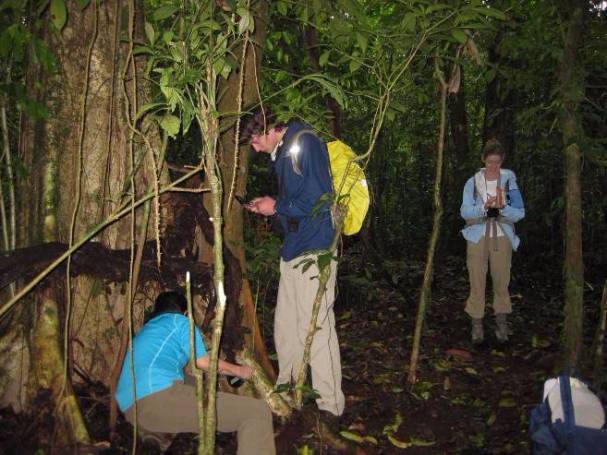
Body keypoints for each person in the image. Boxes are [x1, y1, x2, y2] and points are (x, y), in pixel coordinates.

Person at [240, 106, 345, 421]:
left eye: (255, 141)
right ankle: (288, 396)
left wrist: (278, 206)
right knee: (286, 329)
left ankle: (330, 406)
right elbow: (295, 203)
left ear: (269, 128)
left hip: (315, 250)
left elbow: (318, 199)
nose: (255, 149)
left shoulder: (304, 142)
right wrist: (270, 207)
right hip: (294, 250)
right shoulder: (285, 152)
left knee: (317, 329)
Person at [115, 291, 276, 454]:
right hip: (157, 399)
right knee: (256, 411)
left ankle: (158, 440)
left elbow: (191, 376)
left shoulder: (145, 331)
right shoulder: (180, 322)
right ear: (185, 312)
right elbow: (203, 362)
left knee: (192, 383)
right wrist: (239, 371)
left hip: (131, 411)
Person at [460, 139, 525, 344]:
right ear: (483, 160)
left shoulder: (509, 182)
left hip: (502, 237)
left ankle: (501, 324)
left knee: (501, 281)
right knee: (477, 281)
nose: (493, 166)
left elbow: (520, 213)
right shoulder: (472, 182)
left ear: (502, 161)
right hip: (477, 237)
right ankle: (477, 326)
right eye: (490, 162)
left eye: (497, 162)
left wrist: (503, 208)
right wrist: (483, 208)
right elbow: (464, 211)